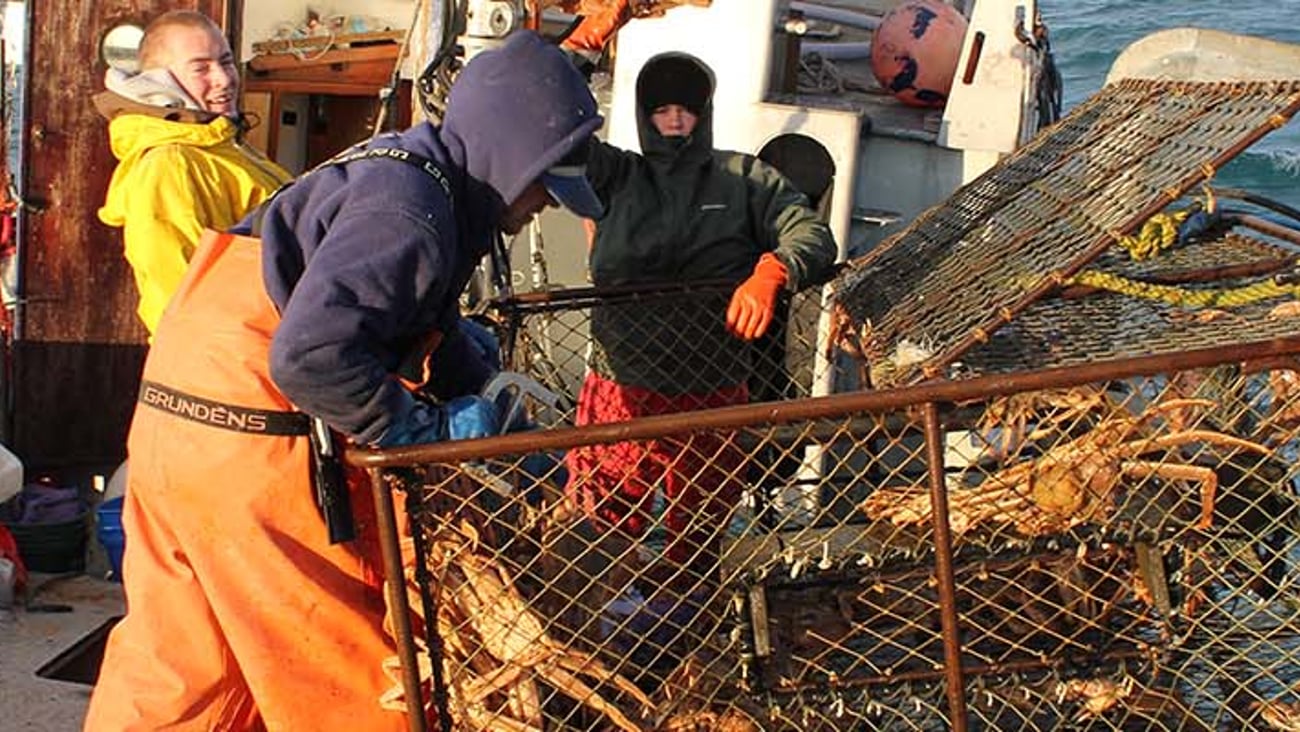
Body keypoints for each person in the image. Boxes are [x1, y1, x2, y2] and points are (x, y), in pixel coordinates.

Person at [84, 30, 605, 731]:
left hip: (173, 431)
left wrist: (476, 381)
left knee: (185, 665)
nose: (545, 203)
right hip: (252, 447)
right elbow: (310, 358)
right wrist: (426, 431)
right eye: (546, 182)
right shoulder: (411, 213)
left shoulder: (404, 173)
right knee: (350, 674)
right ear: (511, 154)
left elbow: (395, 311)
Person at [564, 53, 837, 589]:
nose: (673, 121)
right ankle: (601, 614)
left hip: (712, 389)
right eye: (660, 109)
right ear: (643, 114)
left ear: (705, 113)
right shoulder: (614, 174)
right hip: (619, 388)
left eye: (685, 110)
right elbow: (551, 137)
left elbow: (813, 235)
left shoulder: (744, 179)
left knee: (701, 527)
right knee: (602, 524)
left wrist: (772, 270)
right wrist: (573, 55)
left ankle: (690, 613)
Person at [94, 10, 290, 336]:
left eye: (226, 62)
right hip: (227, 364)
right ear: (159, 82)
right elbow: (178, 292)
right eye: (201, 68)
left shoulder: (222, 145)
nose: (224, 79)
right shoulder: (167, 165)